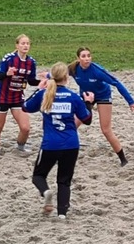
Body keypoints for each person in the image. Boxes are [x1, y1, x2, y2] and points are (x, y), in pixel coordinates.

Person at [23, 62, 93, 220]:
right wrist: (88, 102)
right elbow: (87, 119)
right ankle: (62, 214)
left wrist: (39, 89)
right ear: (67, 78)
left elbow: (25, 107)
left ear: (51, 77)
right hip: (71, 144)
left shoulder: (44, 94)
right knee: (64, 180)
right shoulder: (73, 97)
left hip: (50, 144)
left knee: (38, 176)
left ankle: (46, 192)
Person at [68, 47, 134, 166]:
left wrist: (131, 101)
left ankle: (123, 159)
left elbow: (116, 83)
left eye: (88, 55)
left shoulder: (97, 70)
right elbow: (58, 73)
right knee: (72, 125)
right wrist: (48, 76)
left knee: (106, 130)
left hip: (103, 96)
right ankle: (66, 153)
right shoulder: (73, 68)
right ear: (78, 58)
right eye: (83, 56)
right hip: (87, 97)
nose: (87, 59)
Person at [0, 34, 40, 153]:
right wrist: (7, 74)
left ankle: (20, 147)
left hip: (17, 98)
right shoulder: (9, 59)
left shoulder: (31, 62)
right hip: (3, 97)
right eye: (23, 43)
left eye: (27, 43)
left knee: (25, 128)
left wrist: (43, 81)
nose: (25, 46)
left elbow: (32, 81)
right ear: (17, 45)